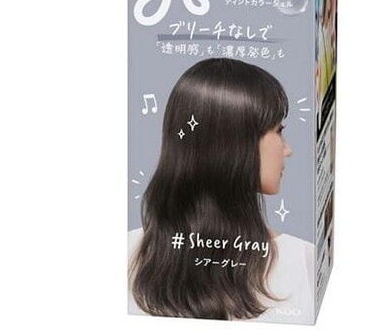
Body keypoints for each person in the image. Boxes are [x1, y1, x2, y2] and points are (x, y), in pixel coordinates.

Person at [128, 58, 315, 323]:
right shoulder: (298, 259)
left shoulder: (129, 251)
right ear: (233, 143)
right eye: (278, 130)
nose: (288, 149)